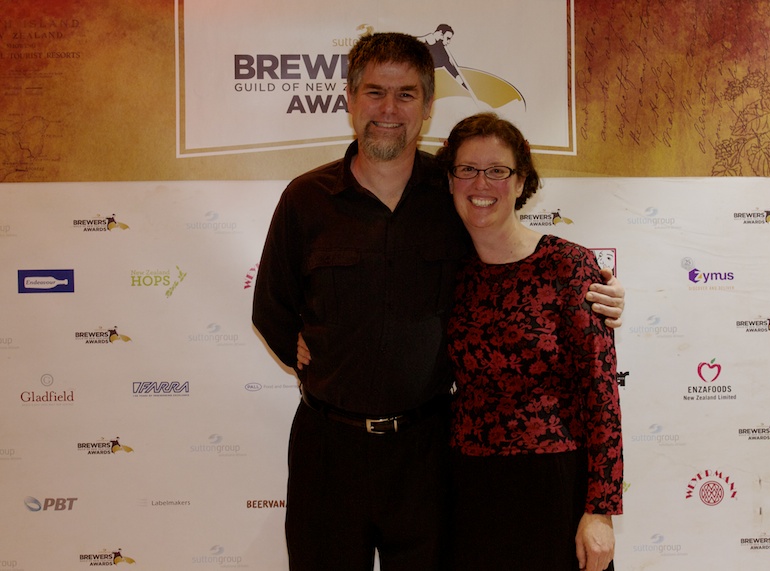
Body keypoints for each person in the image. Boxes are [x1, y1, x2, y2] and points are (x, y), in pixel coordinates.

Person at [253, 32, 624, 571]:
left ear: (427, 108)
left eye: (406, 94)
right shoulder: (305, 200)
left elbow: (512, 266)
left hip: (427, 453)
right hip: (328, 448)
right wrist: (298, 344)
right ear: (350, 100)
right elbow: (271, 304)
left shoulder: (455, 195)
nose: (389, 108)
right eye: (375, 92)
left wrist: (597, 293)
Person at [436, 112, 622, 571]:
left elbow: (601, 394)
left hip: (554, 485)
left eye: (498, 170)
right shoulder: (448, 272)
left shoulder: (569, 266)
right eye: (467, 169)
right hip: (469, 490)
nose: (482, 183)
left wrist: (600, 510)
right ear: (451, 180)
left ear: (521, 182)